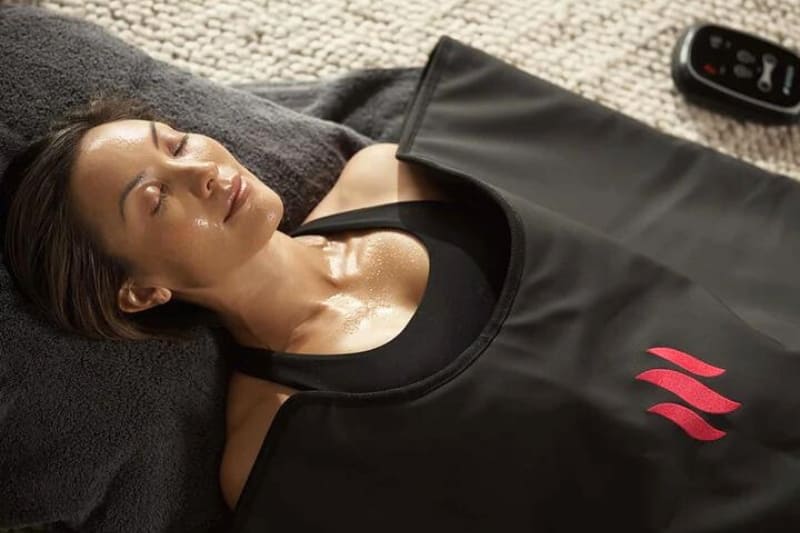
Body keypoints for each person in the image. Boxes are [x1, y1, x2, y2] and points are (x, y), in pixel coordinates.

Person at [1, 94, 505, 511]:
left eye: (176, 144)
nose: (203, 170)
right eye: (155, 198)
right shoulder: (274, 443)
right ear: (140, 293)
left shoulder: (380, 178)